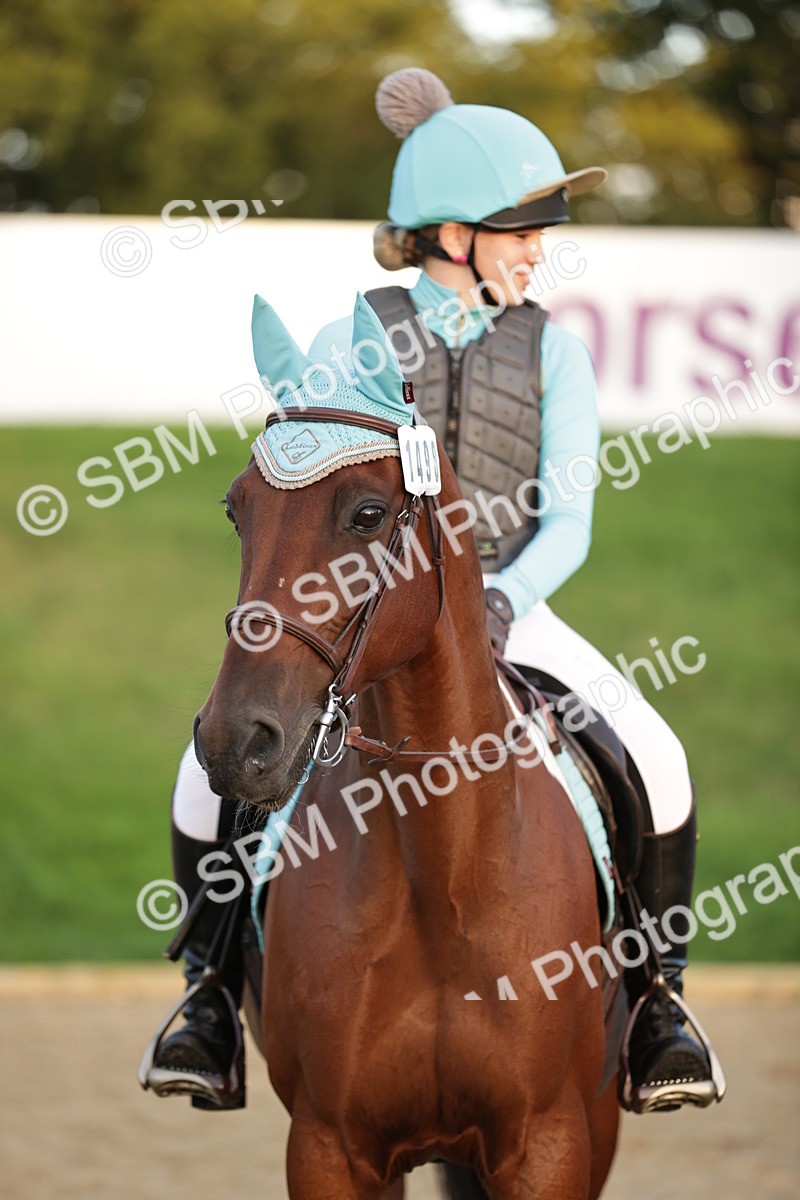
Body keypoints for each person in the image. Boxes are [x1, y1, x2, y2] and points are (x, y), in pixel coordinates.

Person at [142, 68, 720, 1116]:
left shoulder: (556, 351)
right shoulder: (344, 339)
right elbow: (308, 500)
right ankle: (211, 997)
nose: (540, 250)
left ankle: (655, 1006)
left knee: (660, 758)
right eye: (523, 229)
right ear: (452, 235)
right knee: (203, 773)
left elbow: (572, 520)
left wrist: (501, 600)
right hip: (374, 621)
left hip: (512, 602)